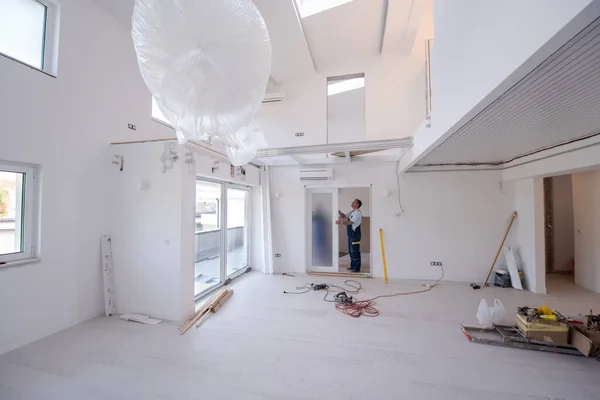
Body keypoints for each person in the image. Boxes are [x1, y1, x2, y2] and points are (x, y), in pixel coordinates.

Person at [336, 199, 363, 272]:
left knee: (355, 251)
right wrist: (339, 212)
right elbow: (344, 216)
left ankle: (356, 268)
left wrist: (340, 222)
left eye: (354, 202)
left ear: (357, 204)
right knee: (351, 251)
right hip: (351, 235)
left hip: (355, 235)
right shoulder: (352, 212)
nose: (352, 202)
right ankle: (352, 266)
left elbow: (350, 222)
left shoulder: (358, 213)